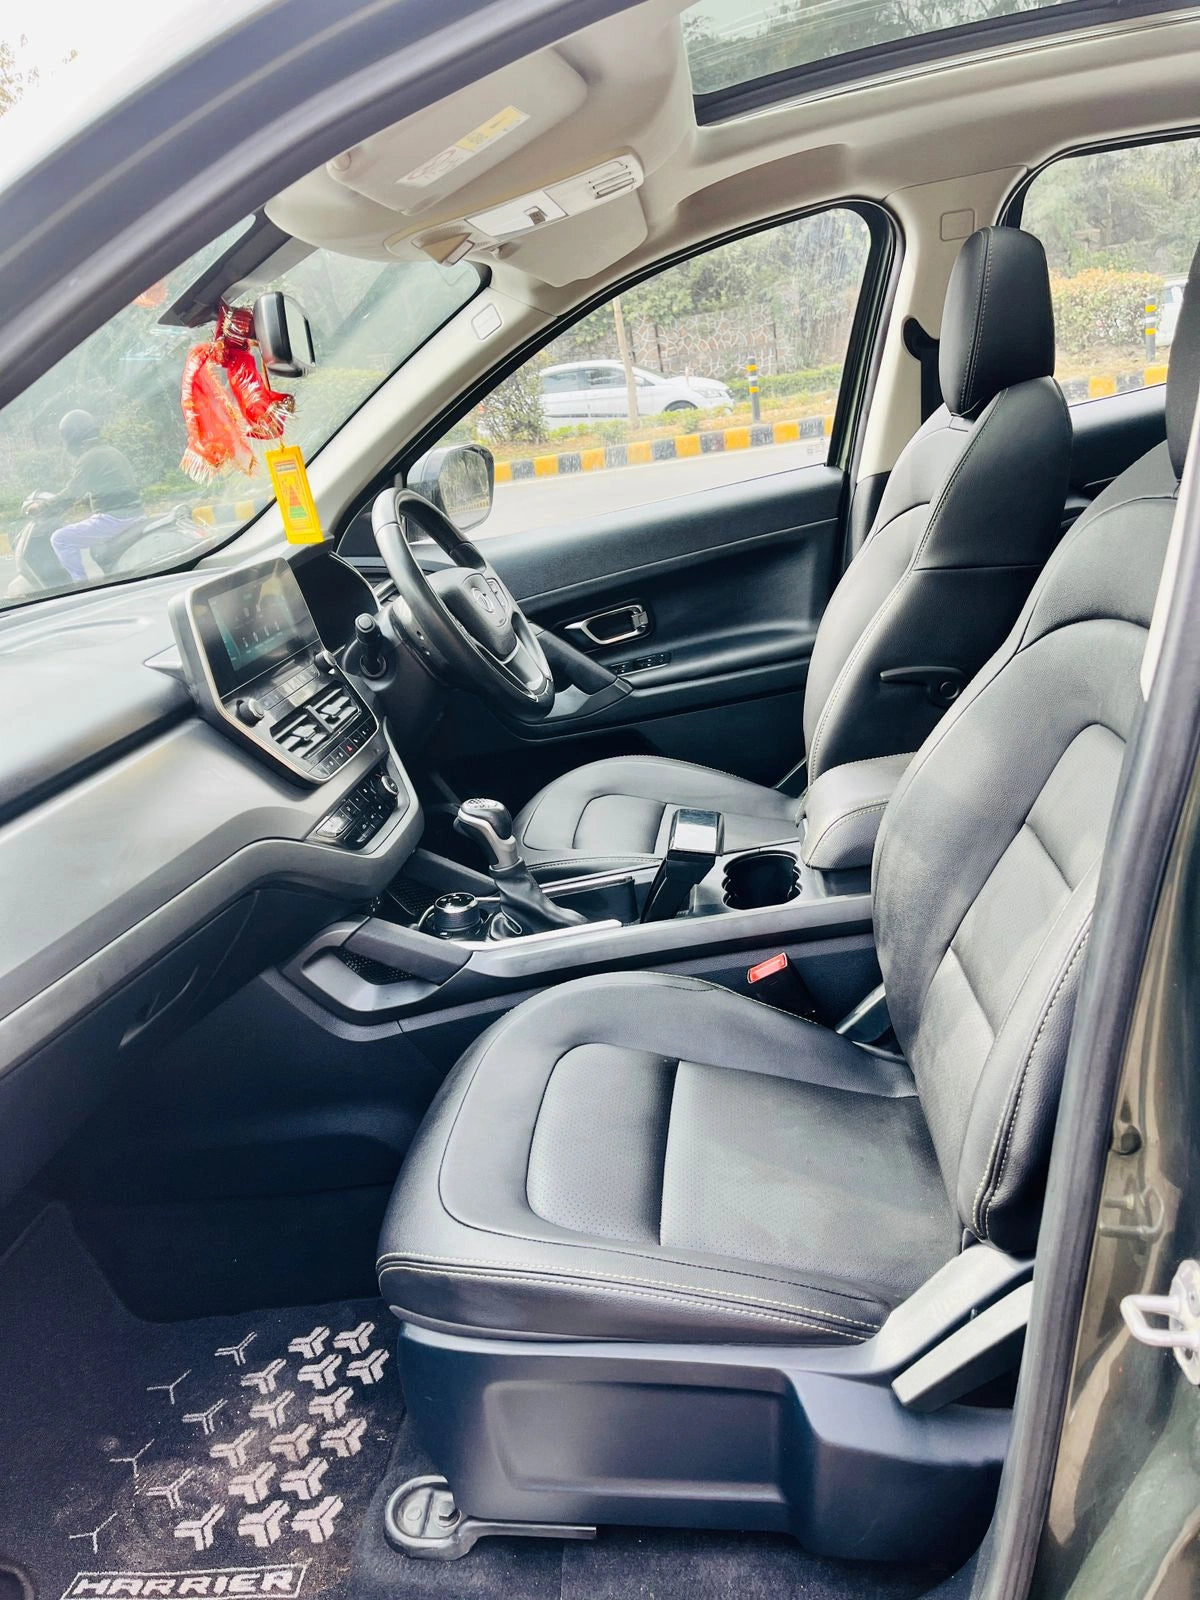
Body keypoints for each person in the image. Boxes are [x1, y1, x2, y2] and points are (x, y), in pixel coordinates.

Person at [41, 410, 143, 582]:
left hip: (115, 519)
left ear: (71, 435)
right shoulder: (110, 451)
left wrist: (44, 507)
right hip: (133, 513)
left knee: (60, 538)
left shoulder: (90, 457)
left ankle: (80, 584)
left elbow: (72, 492)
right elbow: (97, 487)